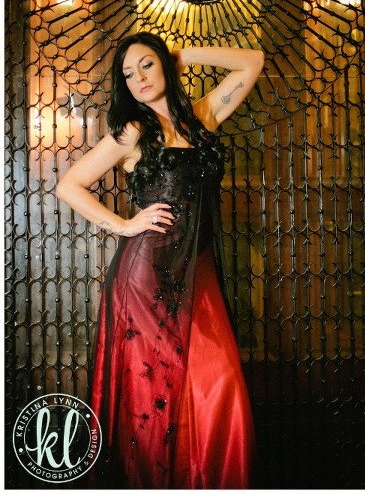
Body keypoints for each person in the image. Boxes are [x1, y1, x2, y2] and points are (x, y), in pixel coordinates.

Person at [56, 32, 265, 488]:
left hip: (200, 270)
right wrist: (126, 225)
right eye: (128, 74)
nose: (138, 79)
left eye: (146, 66)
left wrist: (177, 54)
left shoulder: (203, 117)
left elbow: (251, 61)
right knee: (154, 401)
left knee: (217, 383)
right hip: (145, 279)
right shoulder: (133, 130)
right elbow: (68, 185)